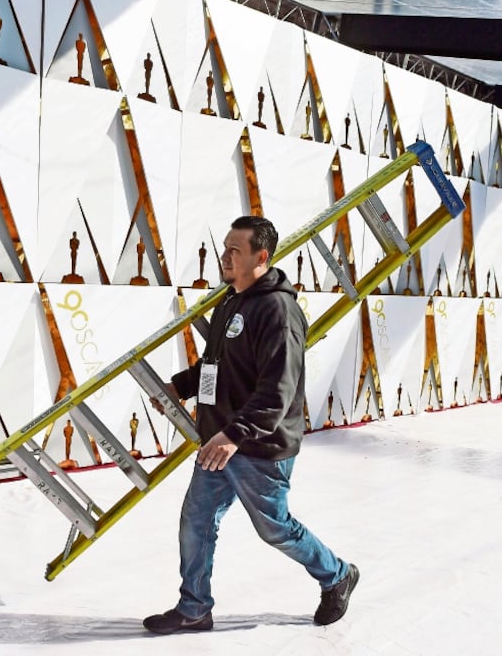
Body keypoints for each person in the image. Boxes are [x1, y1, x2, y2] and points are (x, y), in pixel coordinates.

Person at [143, 215, 358, 635]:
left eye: (233, 250)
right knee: (196, 520)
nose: (224, 256)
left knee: (275, 529)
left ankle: (337, 574)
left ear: (260, 256)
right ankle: (194, 608)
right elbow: (217, 364)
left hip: (258, 448)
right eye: (224, 248)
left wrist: (234, 436)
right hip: (221, 441)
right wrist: (180, 386)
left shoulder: (278, 311)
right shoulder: (230, 301)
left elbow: (278, 390)